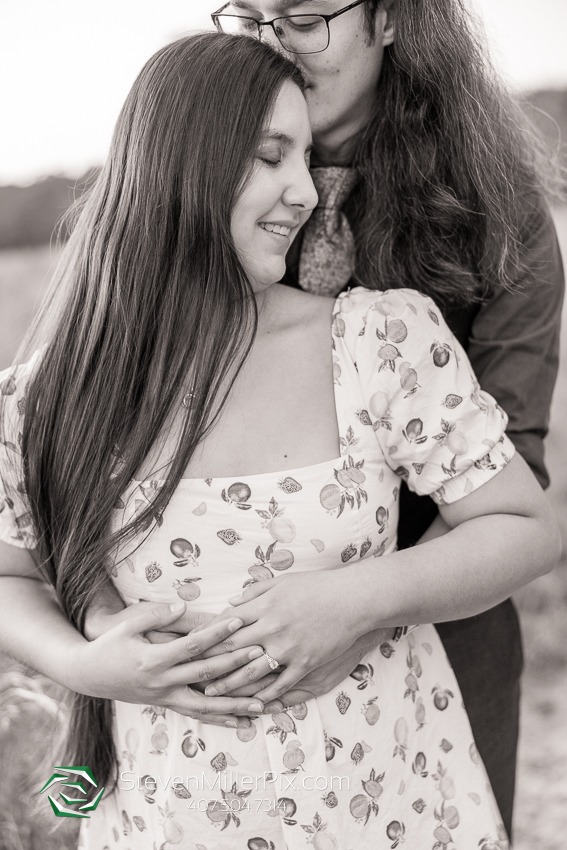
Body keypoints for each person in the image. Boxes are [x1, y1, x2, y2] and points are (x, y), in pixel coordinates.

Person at [0, 32, 561, 850]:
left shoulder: (378, 340)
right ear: (178, 165)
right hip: (172, 815)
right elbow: (11, 573)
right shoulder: (51, 396)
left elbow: (525, 527)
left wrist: (356, 598)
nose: (304, 191)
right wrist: (83, 666)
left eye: (305, 158)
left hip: (391, 800)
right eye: (270, 156)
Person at [207, 0, 565, 838]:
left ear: (393, 18)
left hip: (438, 595)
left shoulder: (495, 205)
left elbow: (512, 477)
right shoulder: (201, 189)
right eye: (247, 18)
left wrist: (356, 607)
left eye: (300, 16)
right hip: (234, 619)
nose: (272, 47)